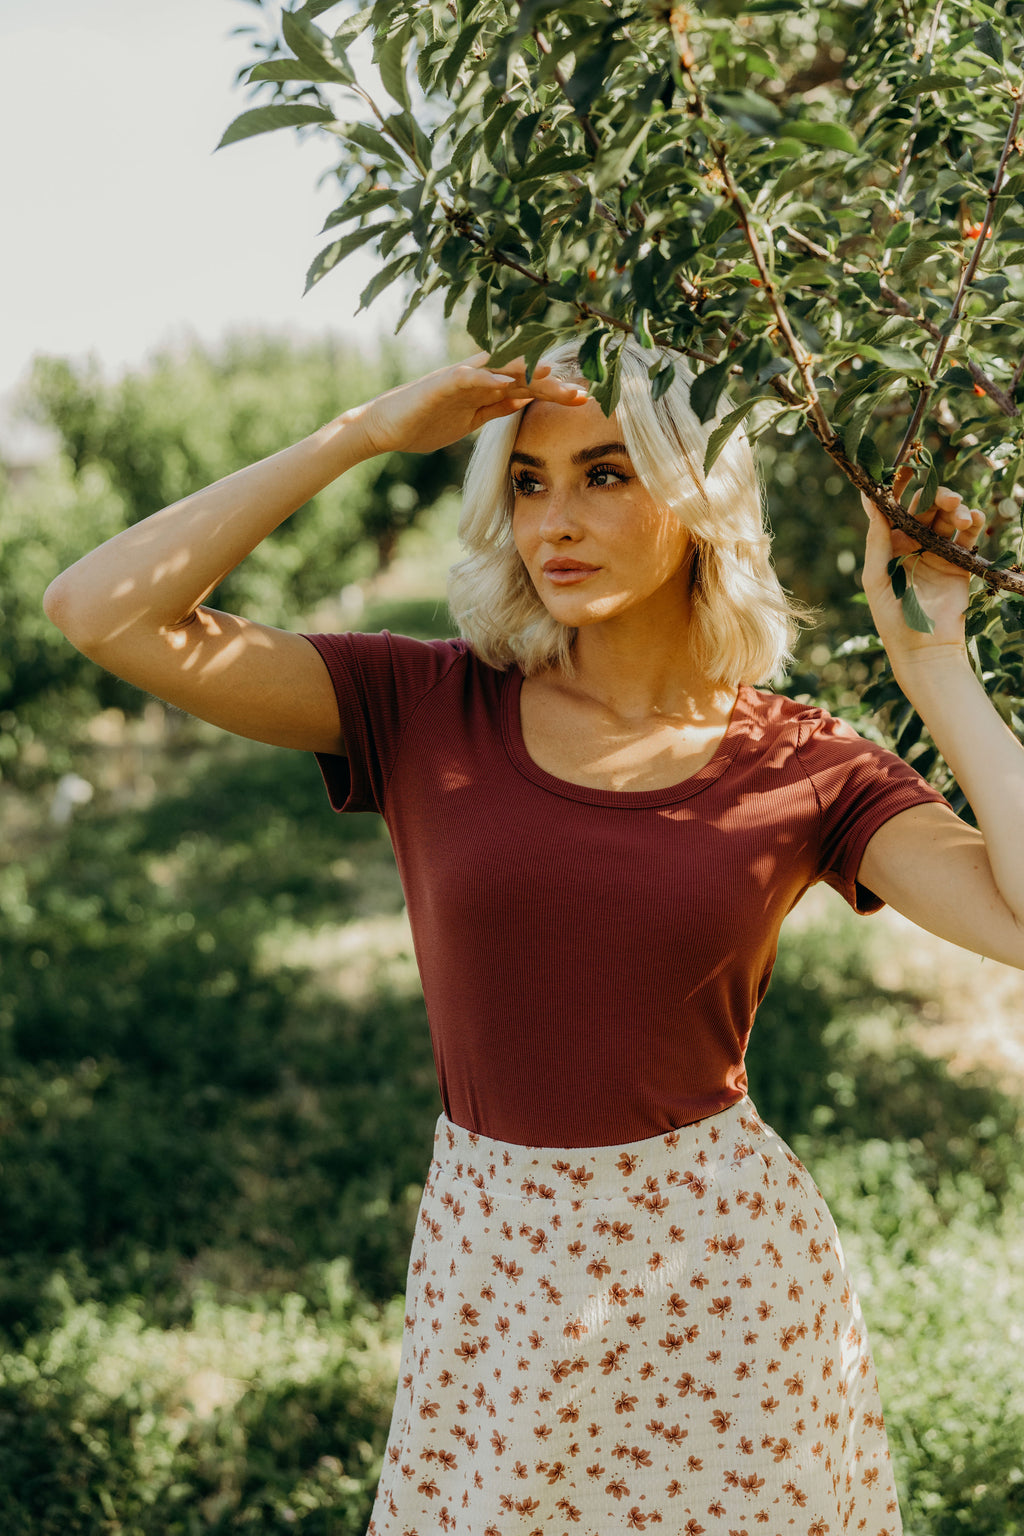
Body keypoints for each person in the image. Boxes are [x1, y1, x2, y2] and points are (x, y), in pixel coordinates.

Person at [44, 339, 1024, 1536]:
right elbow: (99, 609)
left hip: (721, 1287)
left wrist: (934, 664)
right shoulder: (420, 705)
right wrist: (360, 431)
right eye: (526, 480)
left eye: (606, 474)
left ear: (700, 493)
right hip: (495, 1275)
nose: (553, 519)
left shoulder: (795, 759)